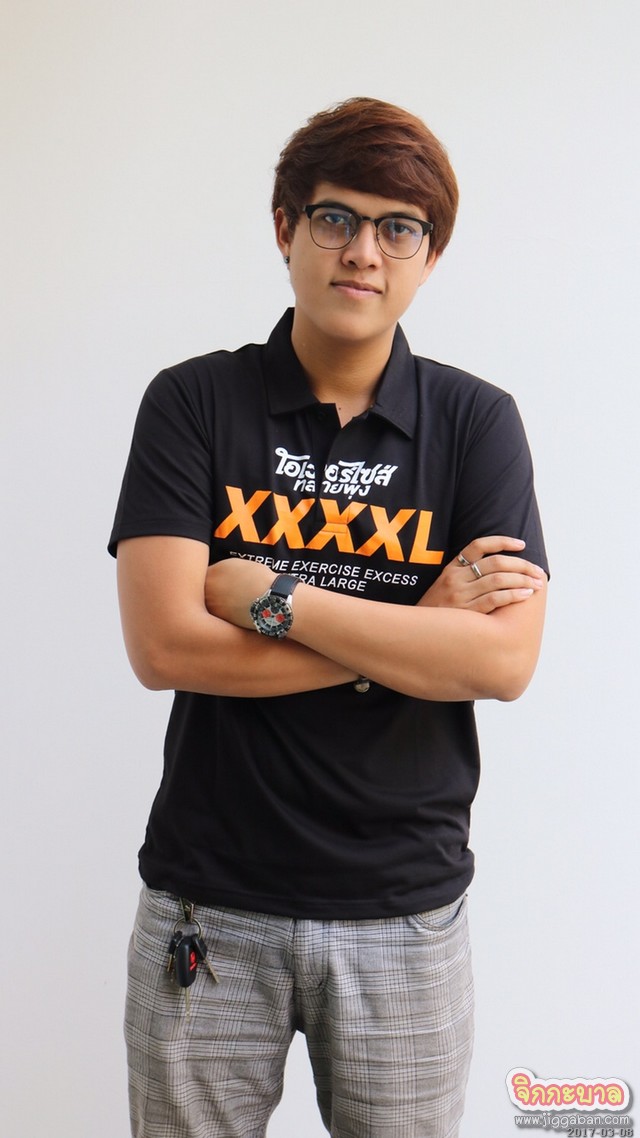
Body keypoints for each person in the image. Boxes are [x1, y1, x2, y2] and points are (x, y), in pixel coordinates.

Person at [110, 96, 548, 1138]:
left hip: (405, 911)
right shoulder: (192, 404)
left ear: (430, 255)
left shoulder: (476, 423)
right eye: (336, 218)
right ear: (285, 227)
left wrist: (275, 598)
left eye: (399, 228)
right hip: (208, 903)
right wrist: (414, 629)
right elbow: (165, 645)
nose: (363, 252)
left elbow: (502, 661)